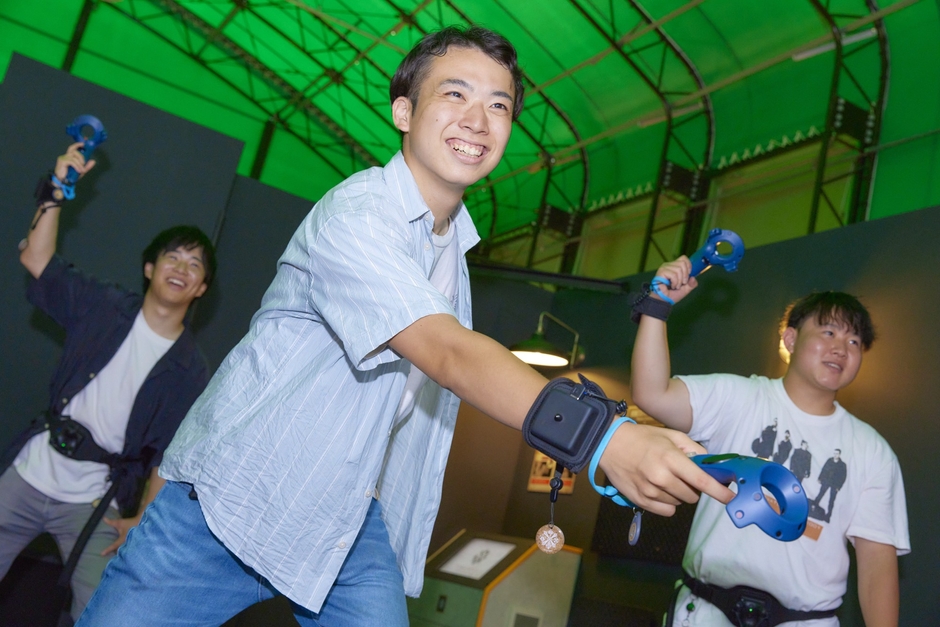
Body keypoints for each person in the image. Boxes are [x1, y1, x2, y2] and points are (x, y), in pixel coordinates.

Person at [76, 26, 733, 627]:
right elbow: (447, 350)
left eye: (499, 105)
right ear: (403, 112)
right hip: (230, 502)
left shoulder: (451, 252)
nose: (478, 119)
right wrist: (604, 437)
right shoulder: (356, 215)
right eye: (455, 94)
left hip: (345, 519)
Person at [631, 256, 910, 627]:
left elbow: (877, 567)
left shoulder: (872, 451)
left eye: (854, 340)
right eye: (828, 332)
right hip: (704, 612)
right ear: (790, 338)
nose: (841, 348)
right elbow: (652, 394)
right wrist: (657, 306)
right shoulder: (739, 397)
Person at [0, 143, 216, 622]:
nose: (181, 268)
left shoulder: (190, 368)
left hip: (95, 502)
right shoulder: (103, 307)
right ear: (149, 268)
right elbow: (37, 259)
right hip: (31, 471)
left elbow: (167, 454)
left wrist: (140, 519)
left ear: (201, 288)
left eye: (194, 265)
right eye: (173, 257)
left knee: (106, 613)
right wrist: (55, 192)